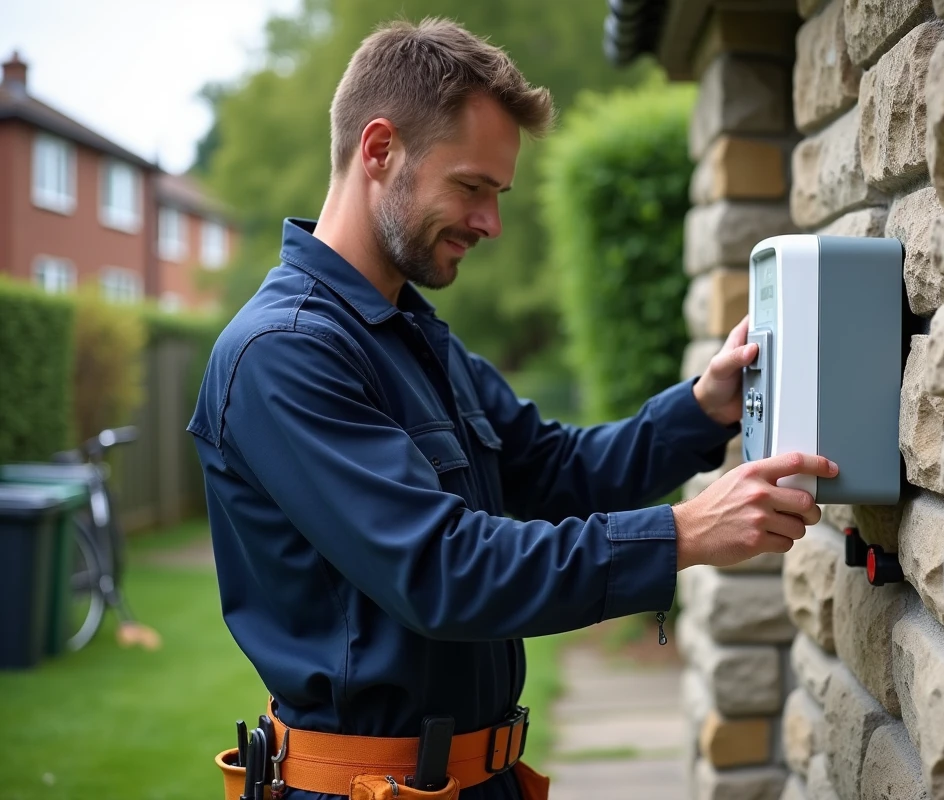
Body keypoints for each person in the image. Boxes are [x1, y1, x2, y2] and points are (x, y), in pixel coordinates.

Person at [188, 17, 835, 800]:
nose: (490, 223)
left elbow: (552, 470)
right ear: (379, 149)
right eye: (472, 187)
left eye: (497, 194)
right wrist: (679, 535)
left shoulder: (417, 335)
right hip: (365, 789)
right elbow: (443, 570)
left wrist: (702, 409)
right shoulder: (282, 355)